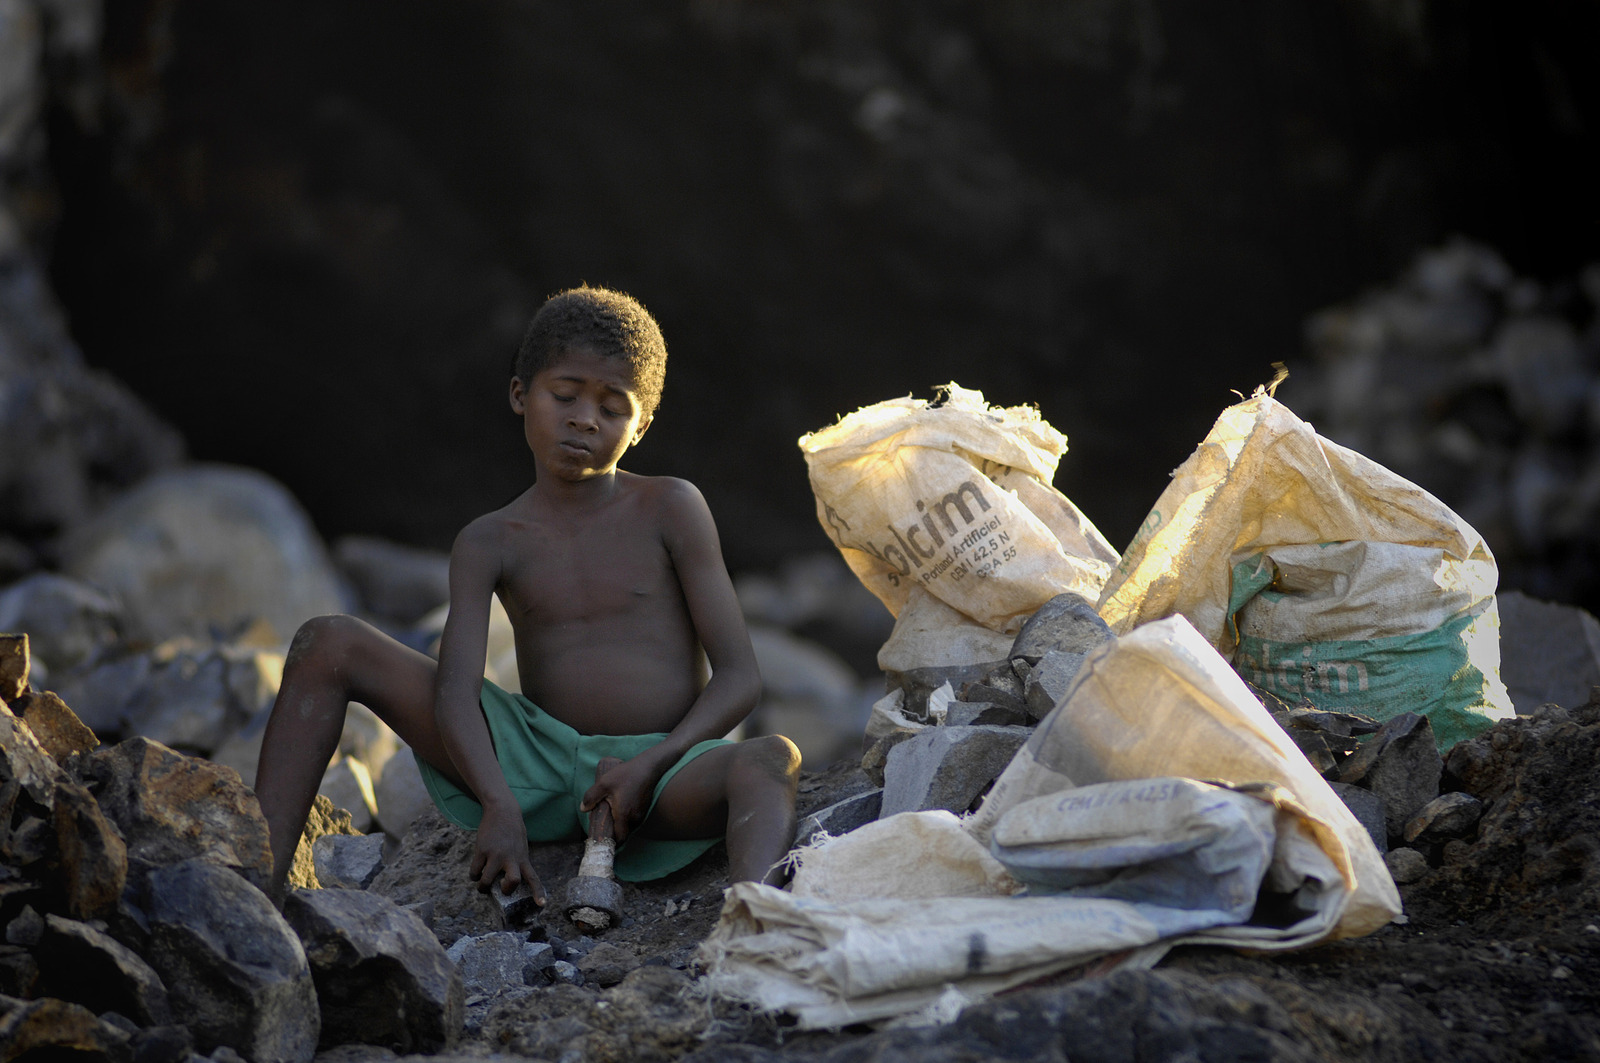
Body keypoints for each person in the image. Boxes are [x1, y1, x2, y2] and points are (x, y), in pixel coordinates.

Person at [254, 285, 800, 904]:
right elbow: (457, 691)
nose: (585, 418)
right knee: (330, 641)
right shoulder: (489, 540)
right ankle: (256, 890)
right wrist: (497, 803)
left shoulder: (671, 507)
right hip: (533, 759)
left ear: (642, 425)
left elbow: (740, 678)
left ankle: (755, 924)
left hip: (662, 771)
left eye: (614, 408)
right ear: (520, 394)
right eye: (564, 396)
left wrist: (652, 765)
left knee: (770, 758)